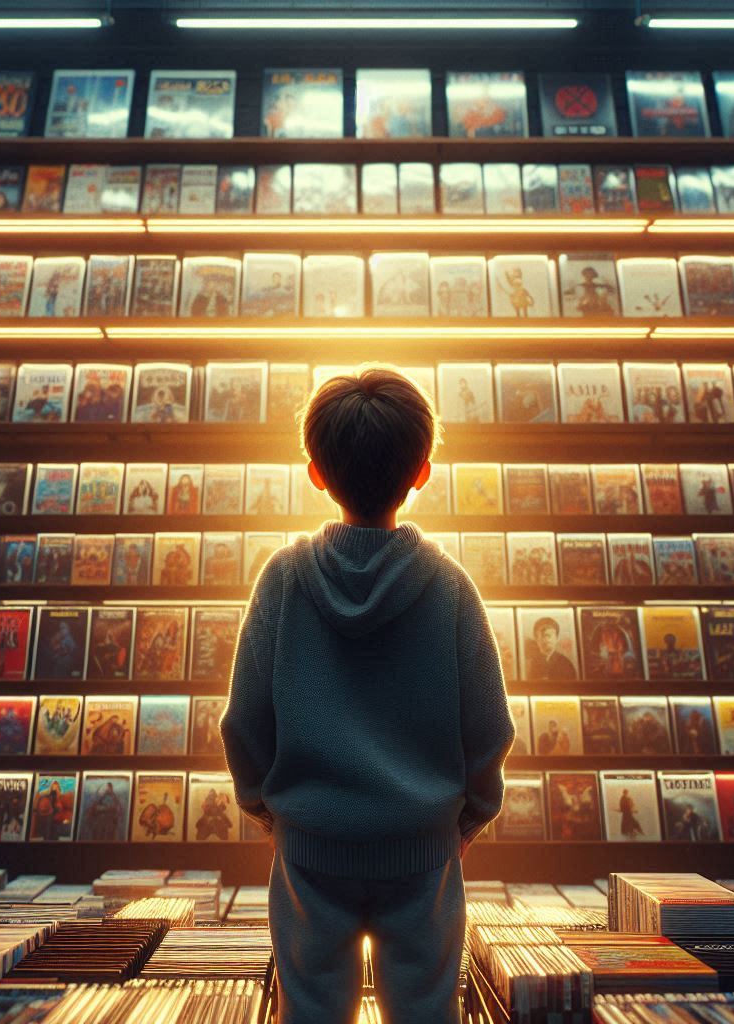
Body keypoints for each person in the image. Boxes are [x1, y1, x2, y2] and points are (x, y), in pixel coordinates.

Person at [222, 364, 514, 1024]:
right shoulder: (450, 587)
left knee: (310, 1011)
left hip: (308, 851)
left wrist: (270, 814)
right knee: (427, 1012)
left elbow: (244, 722)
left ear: (316, 473)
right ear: (422, 472)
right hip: (424, 853)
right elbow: (489, 729)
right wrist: (466, 821)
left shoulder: (282, 580)